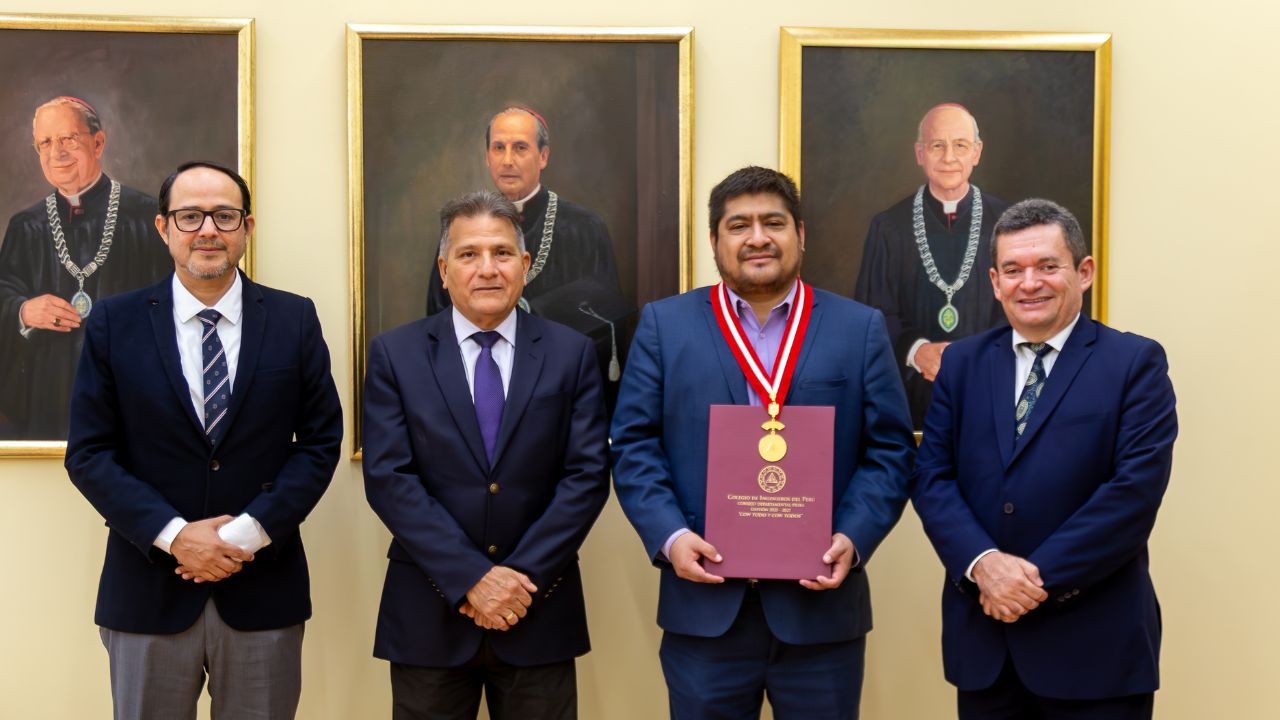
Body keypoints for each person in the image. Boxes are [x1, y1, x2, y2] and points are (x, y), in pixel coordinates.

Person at [611, 166, 915, 718]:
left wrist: (853, 535)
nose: (757, 238)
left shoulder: (859, 328)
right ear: (714, 240)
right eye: (739, 225)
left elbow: (890, 451)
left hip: (821, 615)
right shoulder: (663, 326)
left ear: (801, 234)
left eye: (773, 223)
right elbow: (633, 447)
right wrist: (671, 537)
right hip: (704, 612)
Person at [64, 161, 343, 719]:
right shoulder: (115, 323)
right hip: (147, 591)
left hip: (262, 589)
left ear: (247, 227)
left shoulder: (294, 318)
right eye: (190, 216)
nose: (208, 230)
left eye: (224, 215)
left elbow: (319, 443)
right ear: (163, 227)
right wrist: (174, 536)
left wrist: (243, 536)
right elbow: (90, 454)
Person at [912, 199, 1177, 719]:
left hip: (1096, 650)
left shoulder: (1134, 363)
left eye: (1047, 266)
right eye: (1013, 270)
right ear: (995, 282)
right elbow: (931, 478)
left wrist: (1026, 582)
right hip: (986, 646)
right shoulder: (961, 364)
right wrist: (984, 565)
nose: (1029, 283)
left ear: (1084, 272)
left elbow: (1133, 494)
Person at [364, 190, 610, 719]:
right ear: (444, 269)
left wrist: (517, 581)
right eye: (468, 254)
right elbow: (389, 479)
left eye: (501, 253)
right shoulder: (395, 354)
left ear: (524, 264)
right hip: (429, 614)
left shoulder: (572, 353)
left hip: (537, 608)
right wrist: (473, 579)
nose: (487, 269)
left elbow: (587, 476)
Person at [425, 106, 632, 407]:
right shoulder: (462, 229)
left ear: (543, 156)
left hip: (562, 394)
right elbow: (438, 316)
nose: (507, 160)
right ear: (487, 157)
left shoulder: (584, 228)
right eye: (499, 148)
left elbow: (607, 324)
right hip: (478, 390)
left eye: (520, 148)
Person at [0, 96, 171, 439]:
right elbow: (4, 292)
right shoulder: (25, 225)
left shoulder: (145, 216)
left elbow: (173, 300)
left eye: (68, 139)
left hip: (125, 385)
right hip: (45, 389)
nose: (57, 153)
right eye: (45, 143)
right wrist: (23, 311)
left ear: (98, 143)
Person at [855, 103, 1009, 427]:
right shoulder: (888, 226)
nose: (949, 157)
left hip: (990, 388)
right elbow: (872, 313)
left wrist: (976, 356)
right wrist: (917, 351)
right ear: (920, 153)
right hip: (909, 395)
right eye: (937, 145)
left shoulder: (1009, 223)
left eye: (960, 145)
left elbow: (1021, 305)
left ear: (977, 152)